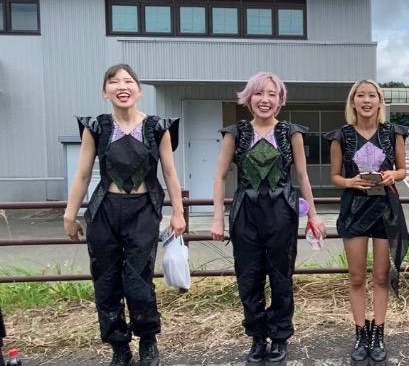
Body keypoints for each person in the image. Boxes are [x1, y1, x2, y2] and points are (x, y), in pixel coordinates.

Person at [63, 64, 185, 366]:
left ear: (139, 91)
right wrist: (69, 214)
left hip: (143, 211)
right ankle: (119, 345)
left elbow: (169, 172)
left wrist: (178, 212)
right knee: (105, 284)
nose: (122, 86)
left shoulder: (158, 127)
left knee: (137, 282)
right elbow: (82, 175)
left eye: (128, 81)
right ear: (105, 92)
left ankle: (147, 341)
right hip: (104, 212)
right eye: (114, 82)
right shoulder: (97, 127)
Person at [210, 72, 325, 366]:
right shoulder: (235, 133)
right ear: (249, 98)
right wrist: (217, 219)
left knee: (281, 277)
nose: (265, 100)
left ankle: (279, 338)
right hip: (245, 212)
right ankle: (257, 338)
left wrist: (312, 214)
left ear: (280, 100)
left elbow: (302, 175)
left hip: (282, 213)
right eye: (259, 94)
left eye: (272, 94)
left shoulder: (291, 133)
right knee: (248, 278)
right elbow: (220, 176)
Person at [325, 80, 409, 366]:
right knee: (357, 277)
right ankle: (361, 332)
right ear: (352, 102)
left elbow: (403, 170)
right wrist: (350, 181)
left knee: (382, 277)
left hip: (385, 209)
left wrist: (392, 176)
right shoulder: (341, 136)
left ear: (380, 102)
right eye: (360, 95)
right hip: (354, 209)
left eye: (371, 95)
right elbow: (335, 176)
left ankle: (379, 332)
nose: (366, 100)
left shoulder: (394, 132)